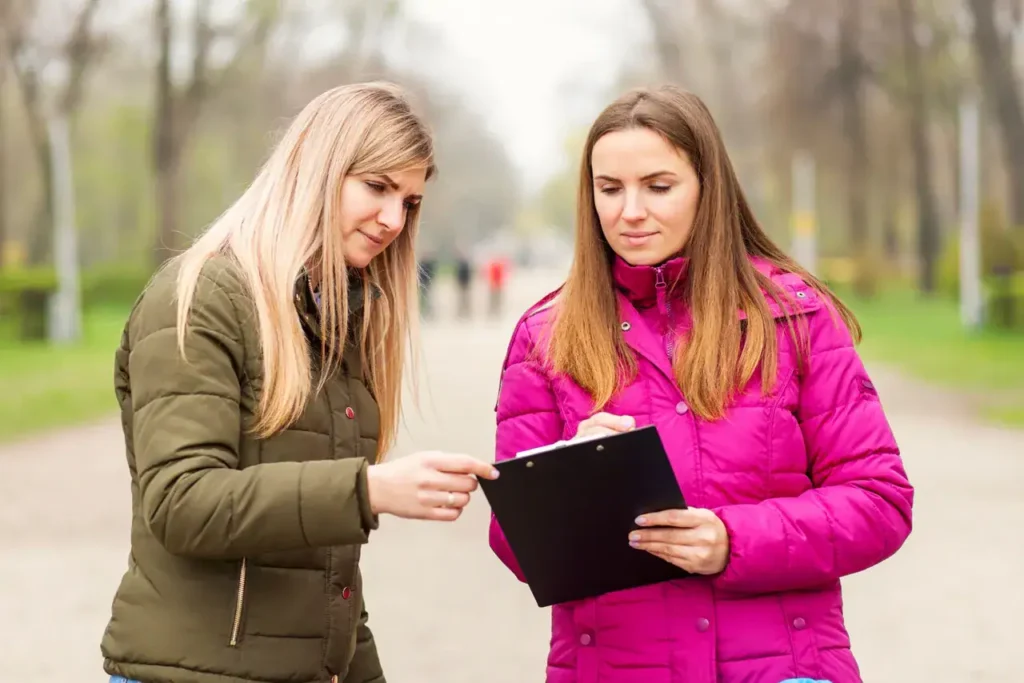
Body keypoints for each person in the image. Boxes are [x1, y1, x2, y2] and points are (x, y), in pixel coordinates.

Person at [489, 85, 913, 683]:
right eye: (609, 189)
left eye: (658, 186)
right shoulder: (545, 336)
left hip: (782, 668)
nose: (630, 210)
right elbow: (515, 548)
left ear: (706, 188)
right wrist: (566, 477)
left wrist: (732, 541)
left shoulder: (796, 316)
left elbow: (880, 501)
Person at [100, 82, 499, 683]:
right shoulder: (201, 298)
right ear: (316, 167)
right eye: (378, 187)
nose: (393, 220)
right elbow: (181, 503)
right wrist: (367, 490)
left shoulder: (334, 316)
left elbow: (327, 576)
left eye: (410, 202)